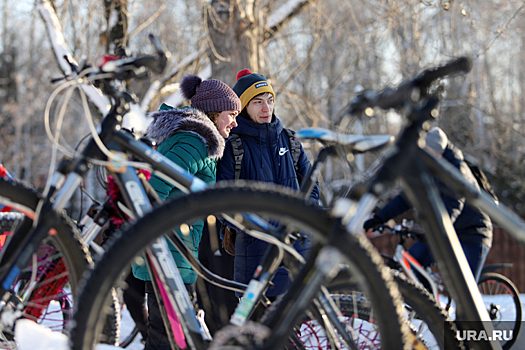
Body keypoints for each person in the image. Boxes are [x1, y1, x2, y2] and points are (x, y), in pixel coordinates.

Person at [133, 74, 241, 350]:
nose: (234, 121)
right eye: (231, 114)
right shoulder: (194, 142)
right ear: (214, 112)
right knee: (164, 337)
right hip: (168, 253)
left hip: (174, 253)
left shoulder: (197, 141)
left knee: (169, 335)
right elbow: (154, 188)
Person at [216, 69, 320, 298]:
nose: (266, 108)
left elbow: (312, 186)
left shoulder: (290, 141)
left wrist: (303, 217)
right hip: (255, 255)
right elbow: (220, 200)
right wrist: (253, 226)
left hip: (297, 249)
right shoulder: (233, 147)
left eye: (270, 101)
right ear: (243, 106)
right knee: (258, 326)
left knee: (303, 324)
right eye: (257, 102)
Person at [363, 127, 492, 282]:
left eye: (427, 153)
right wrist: (379, 218)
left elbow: (453, 204)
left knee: (466, 289)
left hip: (473, 233)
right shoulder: (428, 170)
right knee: (413, 263)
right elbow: (407, 198)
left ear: (438, 152)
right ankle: (427, 305)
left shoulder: (457, 170)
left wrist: (436, 228)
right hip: (446, 231)